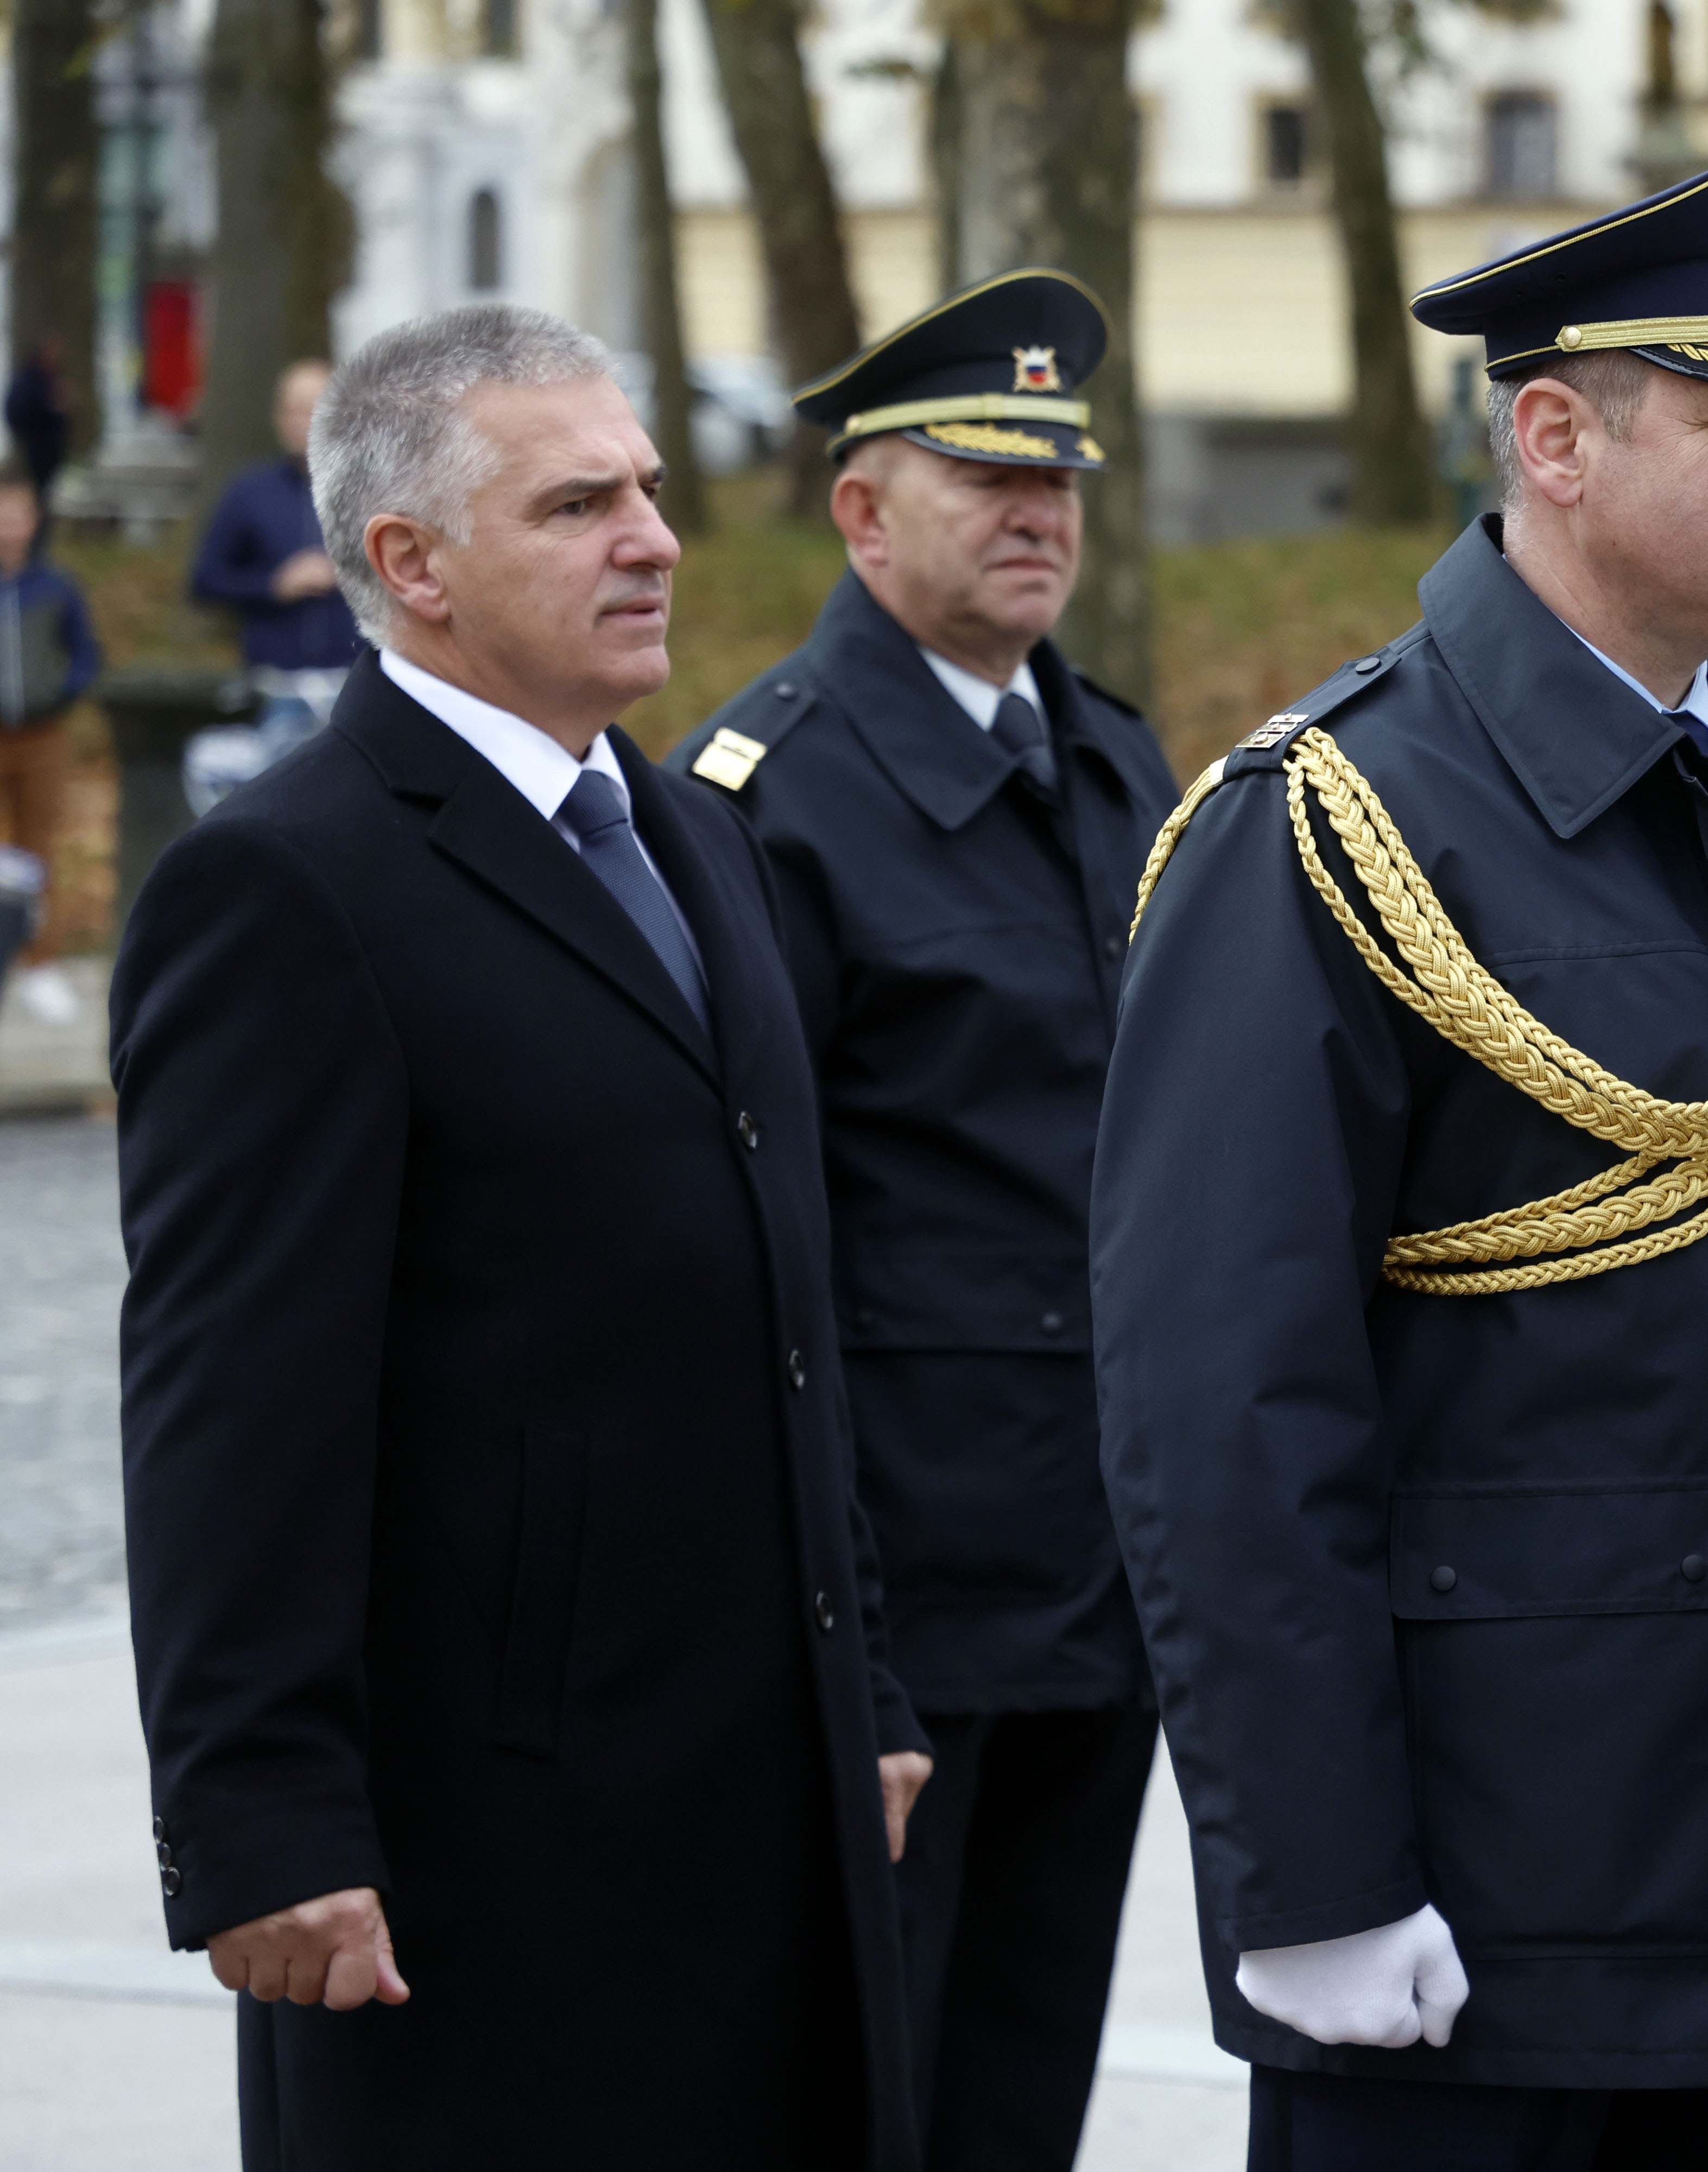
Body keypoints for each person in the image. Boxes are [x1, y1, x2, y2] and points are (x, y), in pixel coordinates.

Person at [1092, 132, 1708, 2170]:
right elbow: (1225, 1405)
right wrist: (1310, 1877)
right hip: (1480, 1934)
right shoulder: (1324, 817)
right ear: (1553, 437)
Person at [112, 304, 928, 2170]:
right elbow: (234, 1409)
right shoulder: (290, 884)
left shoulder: (688, 830)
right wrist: (266, 1826)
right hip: (489, 1843)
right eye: (578, 505)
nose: (653, 535)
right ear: (410, 565)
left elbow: (792, 1312)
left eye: (645, 487)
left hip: (767, 1794)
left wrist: (864, 1686)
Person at [669, 268, 1177, 2172]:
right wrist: (842, 1624)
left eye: (1061, 481)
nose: (1041, 513)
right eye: (990, 480)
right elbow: (750, 1240)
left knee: (1025, 2074)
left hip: (1098, 1561)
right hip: (894, 1576)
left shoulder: (1113, 760)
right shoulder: (764, 797)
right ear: (862, 511)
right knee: (859, 2089)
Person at [191, 357, 364, 727]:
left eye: (312, 409)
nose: (300, 421)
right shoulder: (249, 493)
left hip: (358, 686)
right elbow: (205, 581)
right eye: (291, 410)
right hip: (273, 687)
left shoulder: (372, 493)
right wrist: (273, 585)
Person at [0, 463, 99, 970]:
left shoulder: (56, 586)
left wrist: (62, 693)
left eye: (16, 515)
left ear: (33, 519)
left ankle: (38, 958)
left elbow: (86, 653)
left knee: (38, 845)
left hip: (42, 733)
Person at [6, 340, 73, 539]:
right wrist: (52, 409)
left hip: (48, 448)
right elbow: (18, 412)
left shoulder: (47, 379)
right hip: (37, 448)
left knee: (45, 494)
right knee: (37, 494)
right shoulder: (31, 383)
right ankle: (34, 535)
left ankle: (39, 534)